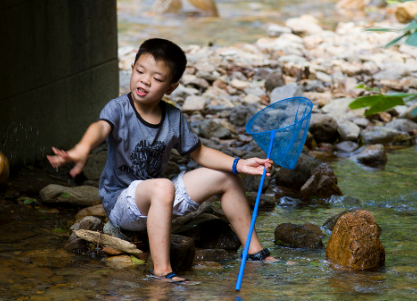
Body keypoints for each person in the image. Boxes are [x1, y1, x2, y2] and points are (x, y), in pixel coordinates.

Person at [47, 38, 277, 283]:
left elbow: (199, 153)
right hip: (123, 203)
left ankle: (256, 254)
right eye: (140, 71)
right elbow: (100, 128)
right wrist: (82, 148)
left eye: (157, 78)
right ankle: (162, 272)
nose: (145, 80)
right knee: (163, 186)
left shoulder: (173, 118)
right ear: (133, 67)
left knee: (227, 177)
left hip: (160, 201)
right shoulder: (118, 109)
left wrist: (239, 164)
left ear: (171, 87)